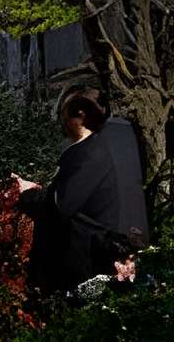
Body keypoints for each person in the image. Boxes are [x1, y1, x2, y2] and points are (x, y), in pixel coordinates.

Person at [14, 87, 153, 300]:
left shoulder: (87, 151)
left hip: (100, 253)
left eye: (64, 117)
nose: (63, 125)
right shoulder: (123, 133)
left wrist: (27, 193)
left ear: (80, 116)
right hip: (133, 240)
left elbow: (61, 206)